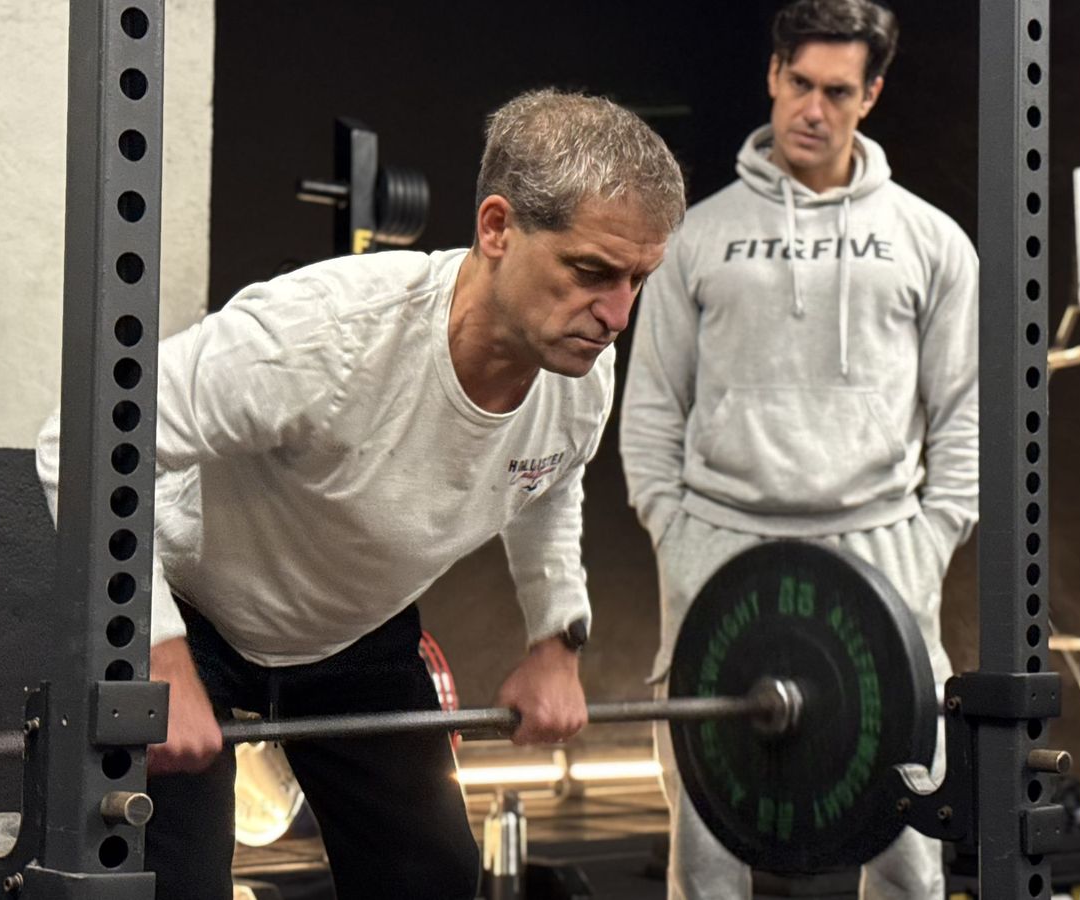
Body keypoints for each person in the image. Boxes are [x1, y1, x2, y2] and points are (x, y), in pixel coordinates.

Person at [36, 88, 685, 899]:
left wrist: (555, 641)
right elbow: (84, 442)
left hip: (357, 640)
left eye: (638, 280)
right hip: (196, 615)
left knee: (434, 878)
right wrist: (154, 654)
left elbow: (549, 479)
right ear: (496, 228)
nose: (618, 313)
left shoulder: (578, 370)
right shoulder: (325, 335)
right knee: (174, 887)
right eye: (592, 272)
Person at [619, 2, 978, 897]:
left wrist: (930, 541)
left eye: (838, 91)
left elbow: (966, 413)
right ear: (774, 77)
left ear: (872, 95)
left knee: (904, 837)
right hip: (720, 542)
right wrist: (676, 533)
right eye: (801, 84)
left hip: (881, 543)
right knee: (708, 826)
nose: (813, 109)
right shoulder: (697, 234)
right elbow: (652, 407)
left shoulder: (930, 242)